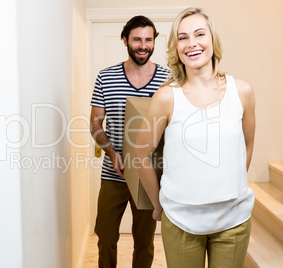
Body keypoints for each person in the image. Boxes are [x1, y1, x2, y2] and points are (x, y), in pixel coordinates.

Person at [135, 7, 256, 268]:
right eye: (182, 37)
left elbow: (246, 145)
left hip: (233, 221)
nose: (192, 43)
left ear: (212, 39)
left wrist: (229, 186)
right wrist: (158, 204)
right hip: (181, 222)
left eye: (199, 34)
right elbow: (141, 154)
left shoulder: (242, 91)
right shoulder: (166, 97)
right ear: (175, 46)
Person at [90, 16, 169, 268]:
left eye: (148, 39)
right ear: (125, 40)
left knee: (144, 242)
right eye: (137, 39)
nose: (143, 45)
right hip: (114, 174)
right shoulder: (106, 77)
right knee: (105, 237)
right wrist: (112, 152)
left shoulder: (168, 80)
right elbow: (95, 124)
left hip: (150, 176)